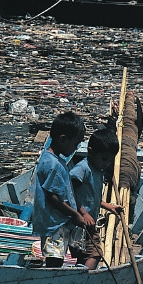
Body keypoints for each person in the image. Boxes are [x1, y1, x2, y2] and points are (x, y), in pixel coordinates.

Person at [32, 111, 85, 268]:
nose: (76, 148)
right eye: (75, 143)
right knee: (54, 259)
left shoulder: (53, 160)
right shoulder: (53, 165)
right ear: (63, 139)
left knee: (60, 254)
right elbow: (53, 198)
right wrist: (74, 214)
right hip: (54, 223)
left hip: (58, 221)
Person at [70, 127, 123, 270]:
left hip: (88, 223)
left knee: (84, 254)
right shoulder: (83, 169)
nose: (106, 164)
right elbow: (70, 194)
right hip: (79, 221)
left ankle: (78, 274)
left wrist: (109, 207)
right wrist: (84, 213)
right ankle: (84, 279)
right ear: (90, 150)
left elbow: (92, 197)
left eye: (110, 160)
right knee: (95, 253)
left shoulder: (98, 171)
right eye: (104, 159)